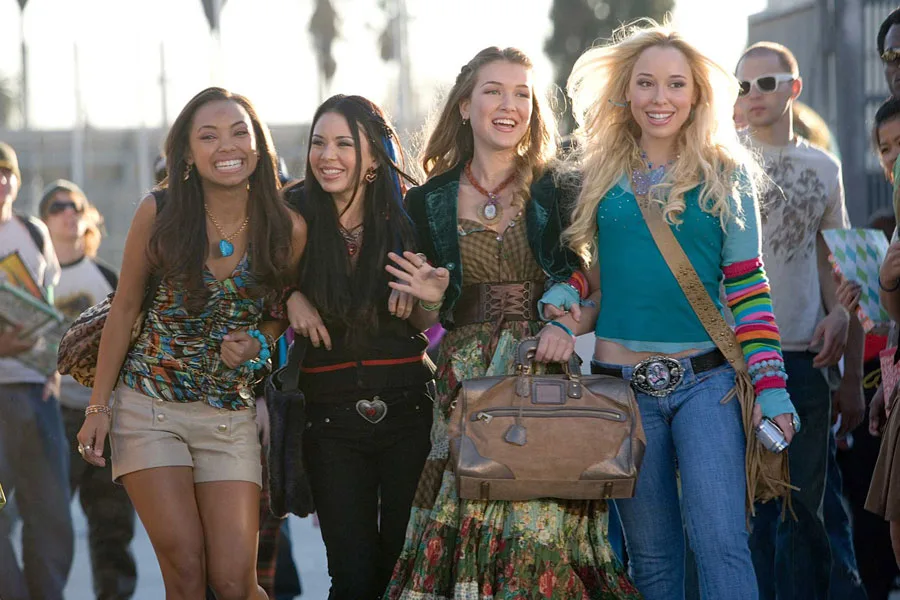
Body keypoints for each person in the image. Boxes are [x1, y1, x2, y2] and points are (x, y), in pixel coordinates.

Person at [546, 22, 799, 600]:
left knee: (722, 546)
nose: (660, 97)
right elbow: (602, 271)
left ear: (697, 94)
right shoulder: (598, 171)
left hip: (706, 387)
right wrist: (569, 290)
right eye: (646, 83)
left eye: (676, 84)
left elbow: (748, 289)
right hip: (619, 391)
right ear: (626, 91)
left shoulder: (726, 173)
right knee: (652, 562)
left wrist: (773, 388)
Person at [383, 46, 639, 598]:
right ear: (464, 106)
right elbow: (423, 321)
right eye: (493, 91)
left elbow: (599, 290)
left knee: (540, 531)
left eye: (522, 93)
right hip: (464, 384)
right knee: (468, 518)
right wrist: (434, 299)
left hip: (545, 379)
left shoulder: (561, 188)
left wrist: (566, 328)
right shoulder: (427, 201)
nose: (509, 104)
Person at [76, 87, 303, 600]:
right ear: (187, 152)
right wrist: (99, 406)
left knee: (235, 582)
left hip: (229, 414)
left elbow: (278, 313)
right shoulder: (158, 212)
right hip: (148, 405)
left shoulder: (286, 226)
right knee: (184, 568)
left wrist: (259, 343)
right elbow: (124, 310)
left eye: (239, 132)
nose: (227, 146)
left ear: (259, 144)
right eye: (209, 136)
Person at [277, 94, 434, 600]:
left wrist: (427, 296)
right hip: (328, 417)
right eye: (319, 142)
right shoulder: (292, 212)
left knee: (403, 566)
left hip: (410, 408)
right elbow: (257, 285)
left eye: (344, 143)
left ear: (373, 159)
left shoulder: (412, 214)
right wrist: (289, 295)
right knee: (351, 573)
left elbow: (432, 318)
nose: (328, 155)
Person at [735, 42, 862, 600]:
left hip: (805, 357)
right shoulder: (722, 160)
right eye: (743, 85)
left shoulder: (824, 167)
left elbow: (836, 261)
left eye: (766, 83)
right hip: (736, 358)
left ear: (794, 87)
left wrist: (840, 315)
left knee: (805, 513)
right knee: (746, 512)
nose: (753, 94)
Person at [39, 179, 138, 600]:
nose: (68, 213)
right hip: (50, 414)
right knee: (47, 525)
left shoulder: (109, 278)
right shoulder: (33, 277)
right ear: (43, 220)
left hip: (106, 417)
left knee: (113, 529)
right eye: (57, 206)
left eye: (75, 205)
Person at [0, 142, 72, 600]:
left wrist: (54, 367)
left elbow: (49, 307)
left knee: (50, 515)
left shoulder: (33, 231)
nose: (0, 180)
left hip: (37, 395)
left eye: (6, 172)